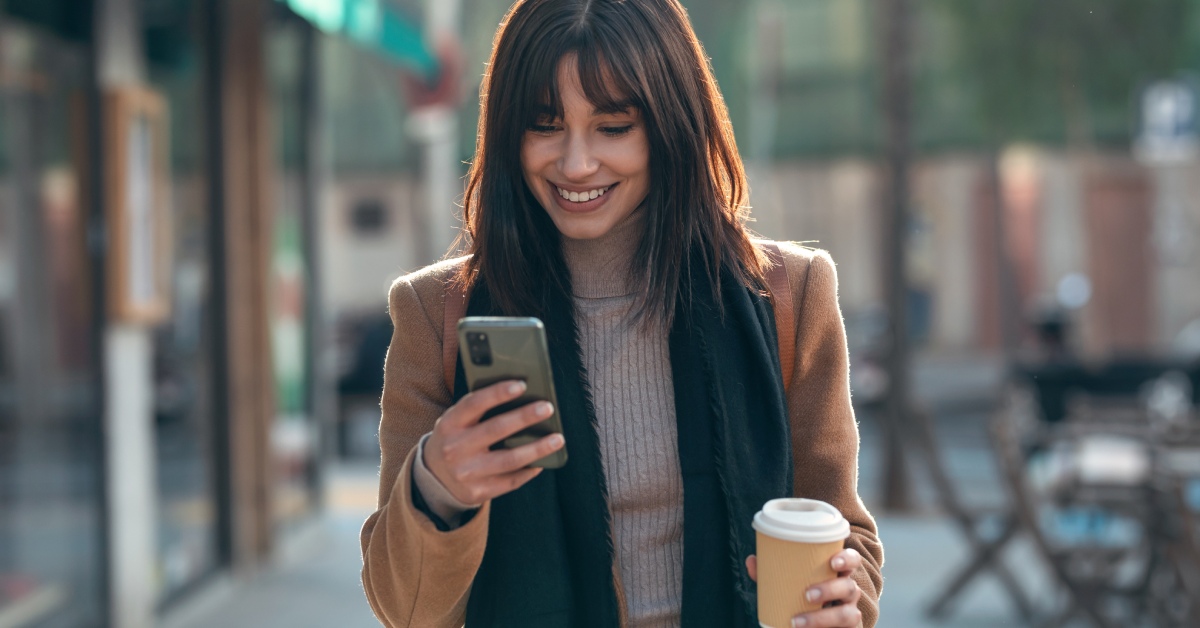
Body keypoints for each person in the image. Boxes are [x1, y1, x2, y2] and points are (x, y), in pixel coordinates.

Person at [359, 0, 884, 626]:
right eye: (545, 125)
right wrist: (439, 487)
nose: (576, 164)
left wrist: (846, 600)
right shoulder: (437, 314)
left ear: (669, 126)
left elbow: (844, 537)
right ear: (507, 132)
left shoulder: (789, 297)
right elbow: (402, 609)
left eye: (613, 127)